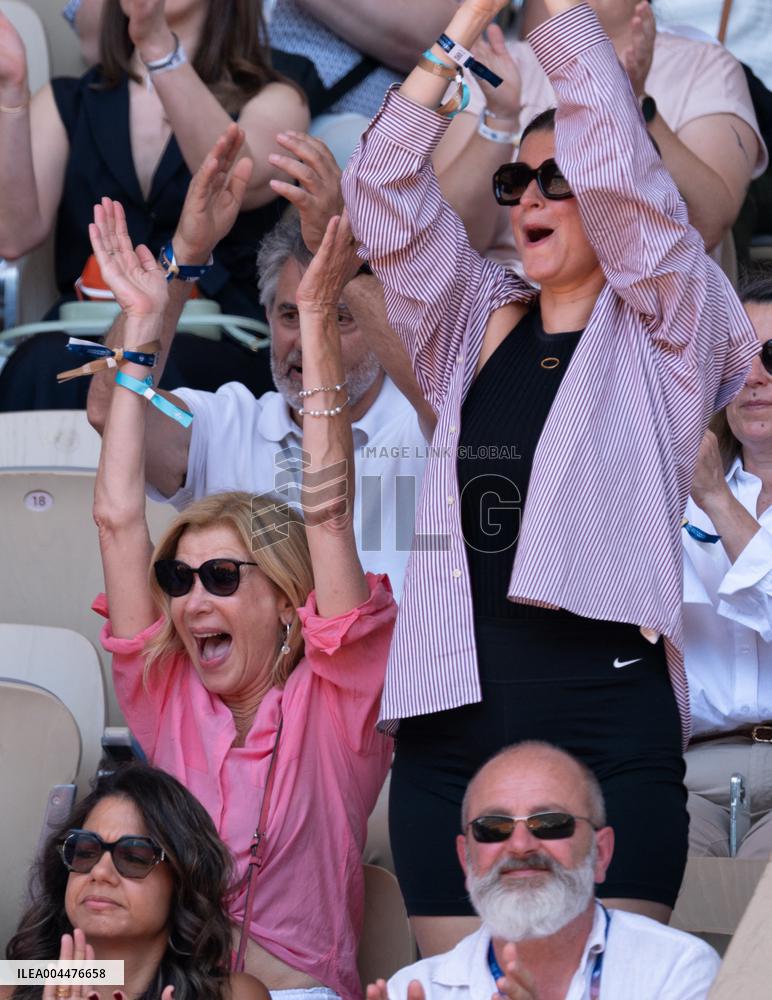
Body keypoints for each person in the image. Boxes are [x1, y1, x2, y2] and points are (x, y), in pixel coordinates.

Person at [342, 0, 758, 956]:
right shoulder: (473, 321)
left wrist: (562, 20)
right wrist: (461, 31)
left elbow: (625, 174)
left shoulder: (671, 326)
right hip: (451, 731)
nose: (527, 197)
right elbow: (382, 191)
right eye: (515, 179)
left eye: (556, 181)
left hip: (606, 726)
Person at [88, 196, 396, 999]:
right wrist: (142, 329)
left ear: (291, 603)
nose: (191, 602)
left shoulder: (338, 708)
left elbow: (326, 516)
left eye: (222, 577)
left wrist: (320, 328)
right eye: (178, 579)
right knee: (13, 974)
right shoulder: (167, 690)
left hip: (292, 995)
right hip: (146, 985)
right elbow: (119, 518)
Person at [86, 126, 432, 600]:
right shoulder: (226, 424)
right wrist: (186, 257)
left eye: (338, 317)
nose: (311, 342)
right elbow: (110, 407)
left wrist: (345, 257)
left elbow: (441, 390)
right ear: (267, 316)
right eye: (293, 314)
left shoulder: (424, 424)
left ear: (377, 322)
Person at [367, 743, 720, 1000]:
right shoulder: (414, 991)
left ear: (601, 852)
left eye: (550, 824)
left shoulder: (678, 970)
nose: (521, 845)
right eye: (494, 828)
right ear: (466, 859)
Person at [441, 0, 767, 264]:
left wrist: (637, 104)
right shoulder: (497, 64)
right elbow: (442, 240)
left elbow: (708, 223)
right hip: (504, 307)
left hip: (649, 310)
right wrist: (500, 118)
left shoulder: (705, 64)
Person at [2, 763, 267, 1000]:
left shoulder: (237, 995)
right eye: (84, 851)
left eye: (134, 857)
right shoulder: (10, 985)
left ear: (182, 882)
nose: (100, 872)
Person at [683, 269, 772, 858]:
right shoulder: (671, 485)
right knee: (662, 874)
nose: (755, 378)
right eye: (735, 356)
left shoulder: (704, 488)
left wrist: (717, 500)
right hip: (686, 767)